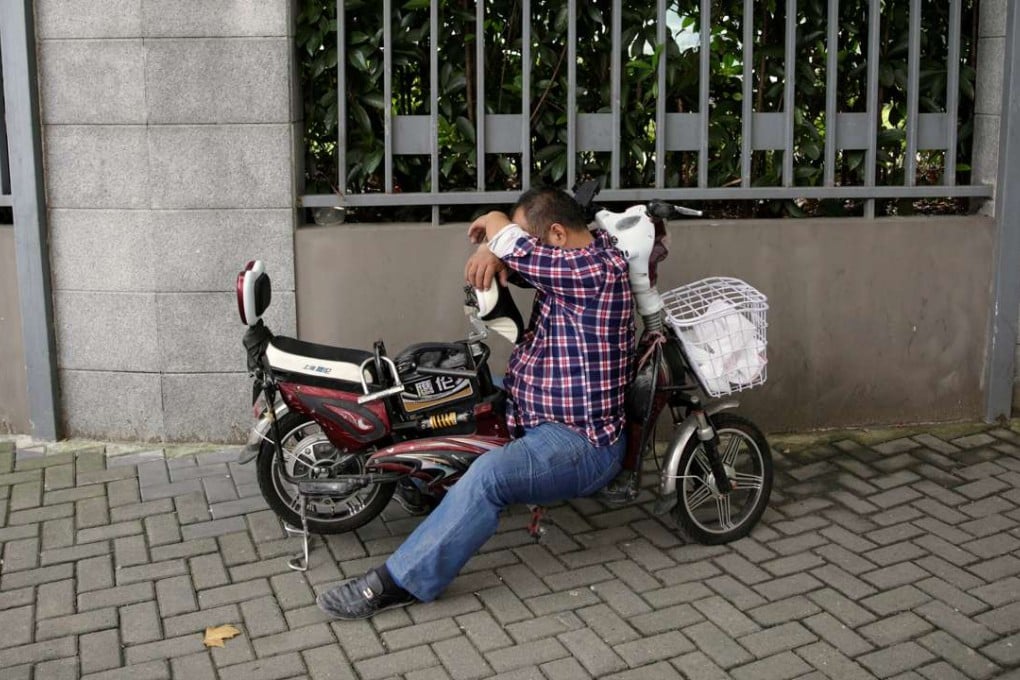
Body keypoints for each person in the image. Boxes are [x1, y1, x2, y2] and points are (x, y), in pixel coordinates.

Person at [316, 187, 635, 619]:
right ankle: (422, 489)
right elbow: (517, 252)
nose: (520, 255)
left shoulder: (590, 270)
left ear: (557, 234)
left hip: (580, 442)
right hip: (532, 405)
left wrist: (496, 225)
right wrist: (494, 246)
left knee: (490, 479)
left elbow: (514, 244)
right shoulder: (578, 253)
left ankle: (399, 582)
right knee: (444, 393)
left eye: (531, 241)